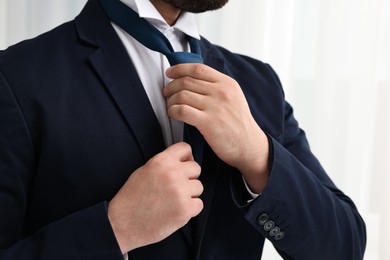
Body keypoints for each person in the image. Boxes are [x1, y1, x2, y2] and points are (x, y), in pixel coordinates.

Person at [0, 0, 366, 259]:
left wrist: (258, 155)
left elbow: (344, 248)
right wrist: (116, 228)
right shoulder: (16, 78)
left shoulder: (258, 84)